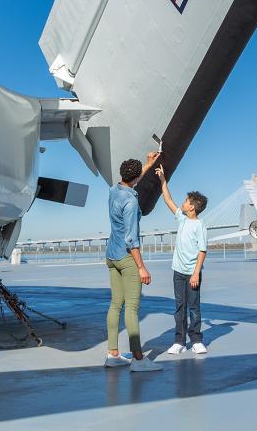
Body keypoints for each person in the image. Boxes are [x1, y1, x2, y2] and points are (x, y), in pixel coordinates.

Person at [104, 151, 161, 372]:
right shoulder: (130, 202)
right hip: (128, 258)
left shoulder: (113, 191)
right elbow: (131, 239)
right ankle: (138, 360)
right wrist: (141, 267)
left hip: (111, 256)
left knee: (115, 305)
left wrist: (147, 165)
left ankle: (112, 354)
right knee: (132, 309)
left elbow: (131, 181)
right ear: (136, 178)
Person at [155, 165, 208, 355]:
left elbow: (202, 251)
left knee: (194, 307)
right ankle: (179, 341)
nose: (183, 203)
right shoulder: (182, 220)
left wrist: (196, 273)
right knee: (179, 307)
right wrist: (163, 179)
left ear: (192, 206)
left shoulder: (200, 225)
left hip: (192, 274)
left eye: (186, 201)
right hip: (178, 271)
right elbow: (168, 200)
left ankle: (196, 340)